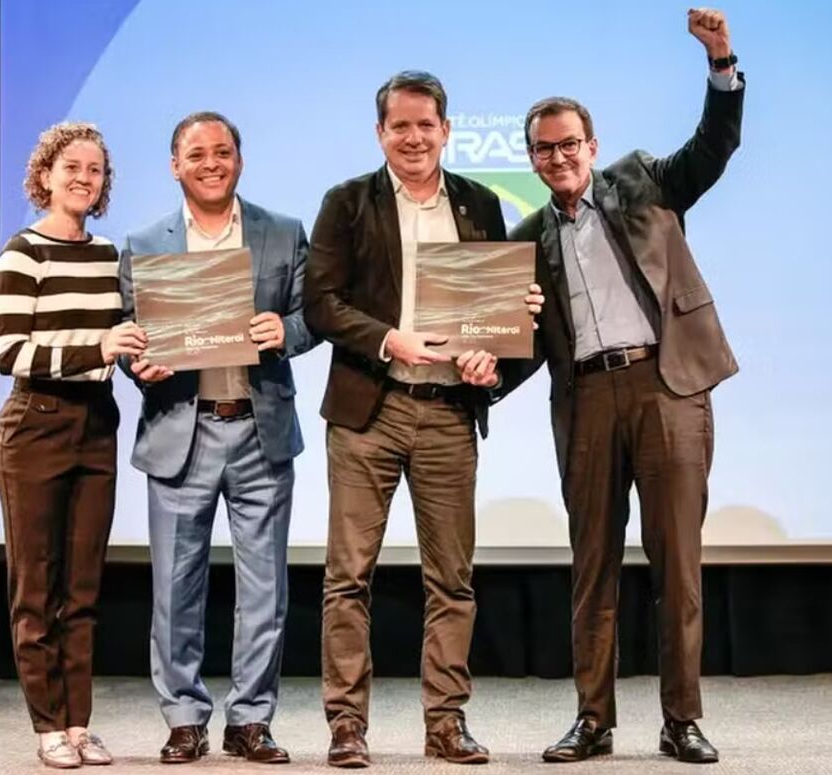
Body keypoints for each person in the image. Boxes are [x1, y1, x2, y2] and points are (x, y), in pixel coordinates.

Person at [502, 8, 745, 765]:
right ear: (533, 161)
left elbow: (712, 149)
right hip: (586, 401)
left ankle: (682, 720)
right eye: (544, 150)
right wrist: (481, 372)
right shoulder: (525, 240)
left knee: (678, 566)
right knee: (592, 568)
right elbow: (522, 345)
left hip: (666, 387)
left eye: (569, 144)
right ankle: (593, 719)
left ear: (592, 146)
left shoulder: (641, 179)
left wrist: (720, 65)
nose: (558, 158)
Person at [305, 70, 543, 767]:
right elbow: (321, 302)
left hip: (446, 414)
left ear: (446, 129)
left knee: (453, 578)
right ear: (381, 132)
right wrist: (388, 338)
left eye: (426, 124)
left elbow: (490, 314)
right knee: (348, 576)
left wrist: (485, 355)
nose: (414, 137)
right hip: (366, 413)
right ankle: (346, 725)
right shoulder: (347, 202)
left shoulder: (477, 202)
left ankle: (446, 722)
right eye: (400, 125)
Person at [118, 111, 317, 765]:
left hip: (260, 426)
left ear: (240, 158)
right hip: (183, 425)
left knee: (266, 588)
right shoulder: (146, 242)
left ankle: (251, 719)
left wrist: (282, 332)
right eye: (196, 153)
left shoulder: (282, 232)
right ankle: (183, 717)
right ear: (175, 164)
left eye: (223, 151)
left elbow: (313, 312)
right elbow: (128, 332)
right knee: (176, 587)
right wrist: (134, 360)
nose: (211, 162)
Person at [0, 121, 145, 768]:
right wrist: (99, 348)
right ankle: (47, 724)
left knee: (83, 587)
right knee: (37, 585)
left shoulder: (109, 255)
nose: (84, 178)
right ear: (46, 174)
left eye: (95, 170)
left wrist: (143, 350)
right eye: (72, 167)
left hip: (95, 425)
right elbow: (9, 352)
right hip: (34, 424)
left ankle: (80, 722)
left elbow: (127, 338)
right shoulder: (22, 252)